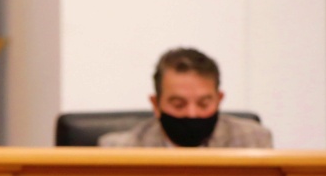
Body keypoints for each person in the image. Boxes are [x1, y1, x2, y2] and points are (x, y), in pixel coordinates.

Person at [98, 48, 273, 148]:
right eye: (179, 105)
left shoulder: (255, 141)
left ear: (219, 100)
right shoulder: (120, 149)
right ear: (156, 104)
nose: (192, 114)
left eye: (203, 104)